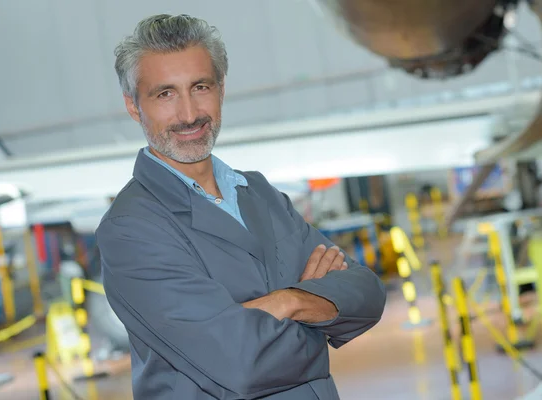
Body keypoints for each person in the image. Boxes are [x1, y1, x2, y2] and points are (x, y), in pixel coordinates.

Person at [96, 14, 387, 400]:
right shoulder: (131, 228)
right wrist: (319, 312)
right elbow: (240, 363)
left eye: (200, 87)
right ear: (134, 106)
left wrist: (288, 301)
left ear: (221, 88)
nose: (188, 114)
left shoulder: (258, 192)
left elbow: (366, 294)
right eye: (165, 94)